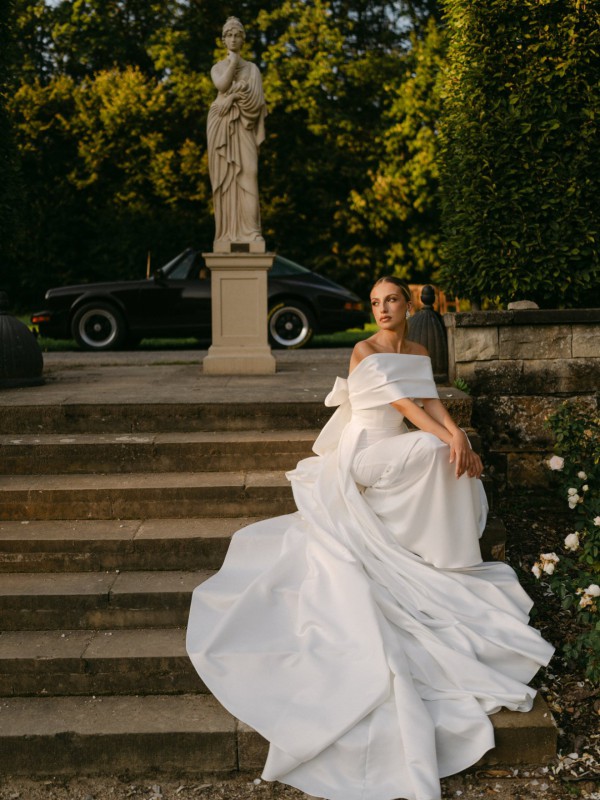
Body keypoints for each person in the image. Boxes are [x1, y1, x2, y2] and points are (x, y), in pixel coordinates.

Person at [186, 276, 554, 800]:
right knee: (434, 452)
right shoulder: (364, 350)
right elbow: (407, 409)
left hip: (405, 442)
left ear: (407, 305)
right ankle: (431, 545)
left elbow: (431, 399)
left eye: (392, 301)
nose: (383, 309)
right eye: (377, 302)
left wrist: (461, 435)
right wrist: (451, 440)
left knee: (447, 456)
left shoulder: (419, 347)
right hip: (366, 451)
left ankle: (441, 551)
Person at [207, 17, 267, 250]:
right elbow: (221, 86)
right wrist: (232, 65)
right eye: (229, 35)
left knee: (249, 174)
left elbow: (256, 103)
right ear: (224, 40)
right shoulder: (218, 67)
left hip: (244, 127)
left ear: (243, 39)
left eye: (237, 35)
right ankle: (226, 234)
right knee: (225, 182)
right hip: (220, 125)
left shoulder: (252, 70)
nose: (233, 39)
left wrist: (232, 97)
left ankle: (252, 233)